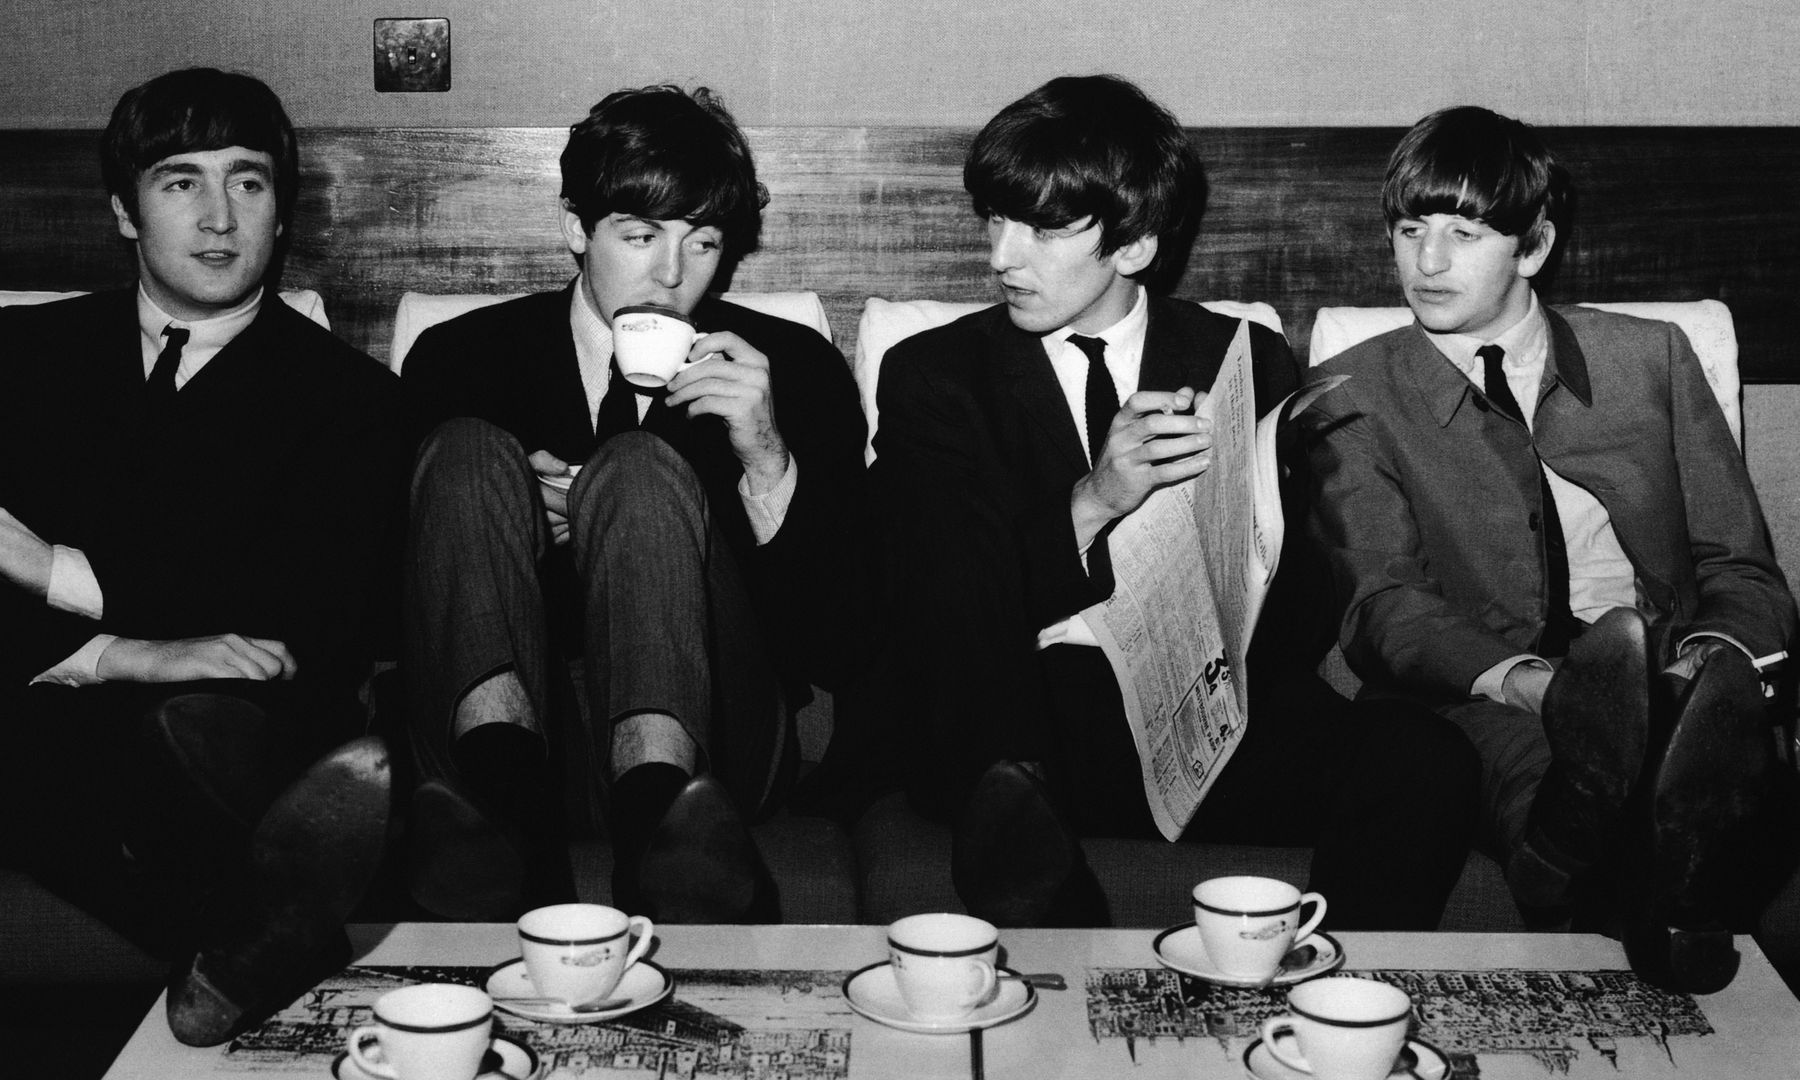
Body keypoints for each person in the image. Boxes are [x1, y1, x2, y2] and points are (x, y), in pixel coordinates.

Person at [843, 74, 1479, 930]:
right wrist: (1097, 498)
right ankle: (1046, 896)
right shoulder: (936, 374)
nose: (1001, 257)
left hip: (1204, 713)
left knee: (1424, 755)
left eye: (1039, 228)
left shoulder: (1238, 358)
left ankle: (1338, 998)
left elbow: (1299, 620)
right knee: (1001, 713)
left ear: (1134, 245)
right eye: (995, 219)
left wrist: (1243, 542)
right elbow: (933, 597)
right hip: (1027, 719)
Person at [0, 68, 404, 1044]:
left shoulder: (347, 397)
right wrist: (129, 652)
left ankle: (248, 918)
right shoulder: (22, 352)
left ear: (280, 208)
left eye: (248, 182)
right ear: (125, 211)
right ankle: (263, 934)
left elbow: (311, 614)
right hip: (43, 713)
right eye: (181, 182)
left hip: (231, 727)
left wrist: (60, 571)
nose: (219, 218)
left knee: (165, 733)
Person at [1305, 105, 1799, 990]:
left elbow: (1740, 567)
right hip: (1476, 687)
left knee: (1681, 747)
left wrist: (1707, 670)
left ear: (1533, 247)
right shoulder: (1350, 392)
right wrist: (1535, 685)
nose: (1426, 262)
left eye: (1463, 234)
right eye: (1409, 229)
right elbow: (1381, 606)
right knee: (1559, 761)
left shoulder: (1651, 359)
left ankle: (1586, 854)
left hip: (1665, 674)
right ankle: (1631, 873)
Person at [398, 85, 865, 923]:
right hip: (509, 735)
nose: (672, 275)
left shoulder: (787, 369)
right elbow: (388, 609)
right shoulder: (462, 358)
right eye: (641, 236)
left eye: (703, 242)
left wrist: (765, 457)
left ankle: (661, 837)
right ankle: (511, 830)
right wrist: (516, 525)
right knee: (470, 451)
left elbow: (837, 640)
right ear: (576, 229)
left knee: (640, 468)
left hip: (715, 752)